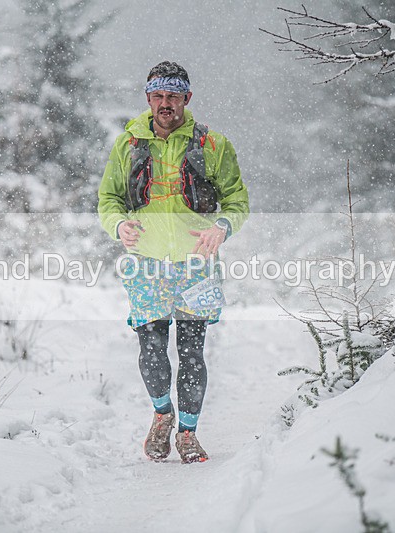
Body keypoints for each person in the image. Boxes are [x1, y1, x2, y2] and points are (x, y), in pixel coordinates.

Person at [97, 61, 249, 463]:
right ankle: (163, 415)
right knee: (151, 345)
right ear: (148, 97)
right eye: (159, 95)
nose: (166, 104)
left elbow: (237, 202)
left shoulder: (213, 145)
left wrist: (221, 226)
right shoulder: (127, 144)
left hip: (196, 265)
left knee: (192, 351)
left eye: (174, 96)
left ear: (187, 98)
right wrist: (118, 226)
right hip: (145, 264)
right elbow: (108, 199)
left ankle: (188, 433)